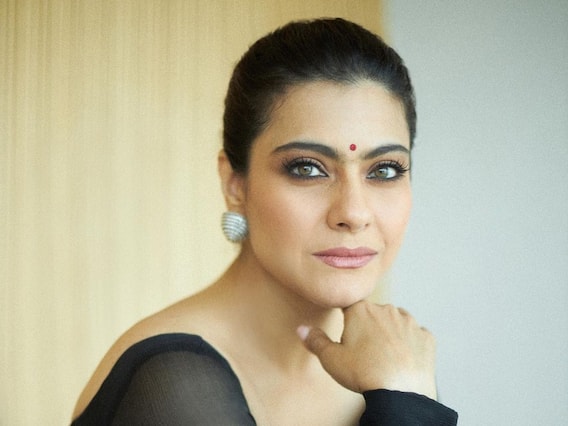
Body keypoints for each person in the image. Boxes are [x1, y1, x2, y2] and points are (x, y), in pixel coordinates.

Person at [71, 18, 458, 425]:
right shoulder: (174, 383)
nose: (353, 213)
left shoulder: (388, 364)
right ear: (235, 185)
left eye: (384, 170)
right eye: (307, 168)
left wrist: (403, 394)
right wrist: (409, 407)